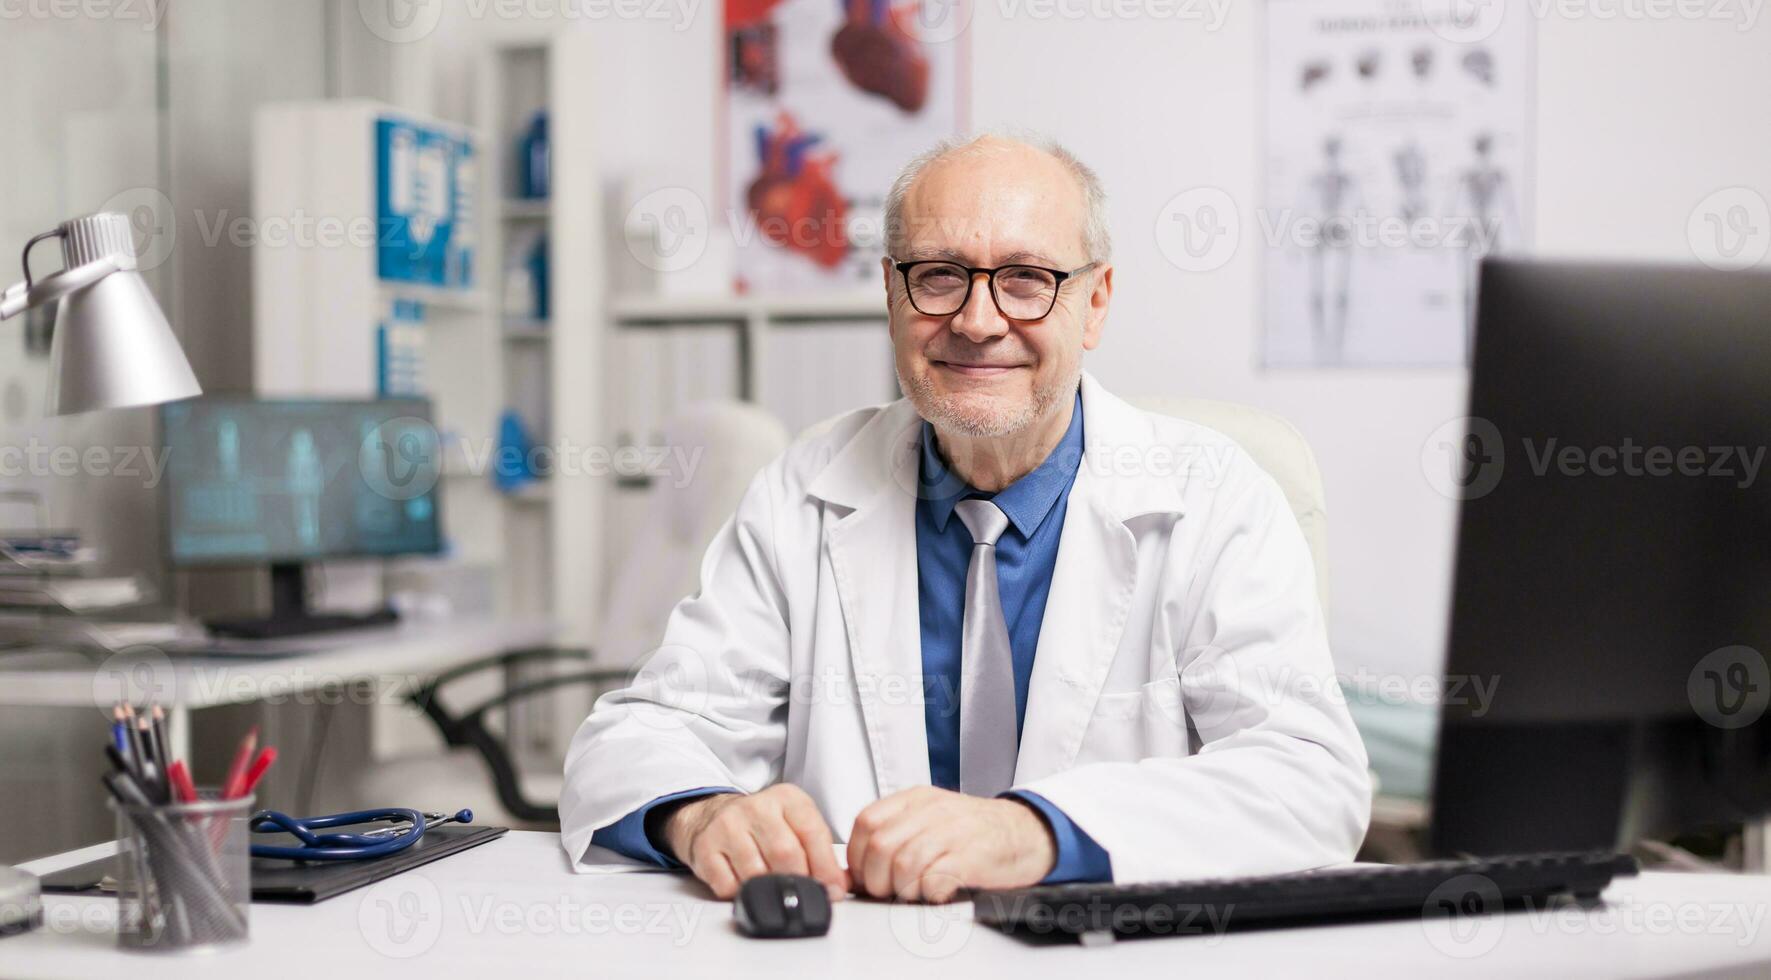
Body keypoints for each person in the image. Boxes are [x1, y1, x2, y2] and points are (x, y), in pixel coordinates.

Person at [560, 133, 1370, 904]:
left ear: (1094, 304)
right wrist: (701, 814)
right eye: (939, 275)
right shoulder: (803, 488)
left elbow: (1308, 782)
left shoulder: (1214, 494)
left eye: (1025, 278)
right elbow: (636, 737)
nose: (977, 322)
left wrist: (1034, 833)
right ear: (890, 294)